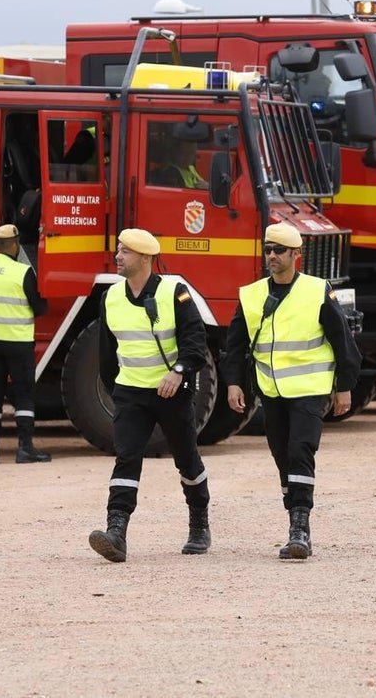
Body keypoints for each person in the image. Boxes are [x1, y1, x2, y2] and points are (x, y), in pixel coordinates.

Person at [222, 223, 361, 560]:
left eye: (279, 250)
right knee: (283, 456)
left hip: (310, 389)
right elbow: (235, 344)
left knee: (300, 450)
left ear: (295, 255)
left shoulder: (316, 291)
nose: (272, 256)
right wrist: (233, 382)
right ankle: (294, 514)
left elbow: (343, 342)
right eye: (268, 249)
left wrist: (343, 387)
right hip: (270, 391)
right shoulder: (252, 295)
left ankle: (300, 528)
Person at [88, 228, 211, 563]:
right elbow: (106, 353)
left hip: (172, 391)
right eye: (118, 250)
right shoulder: (110, 297)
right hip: (131, 392)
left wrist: (179, 372)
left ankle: (199, 523)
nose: (118, 256)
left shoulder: (176, 292)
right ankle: (116, 531)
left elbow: (196, 342)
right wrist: (118, 391)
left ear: (145, 258)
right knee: (126, 456)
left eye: (125, 251)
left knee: (186, 458)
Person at [0, 224, 50, 464]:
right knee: (24, 393)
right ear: (14, 245)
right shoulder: (22, 272)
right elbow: (40, 308)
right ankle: (25, 448)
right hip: (18, 341)